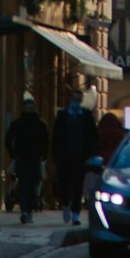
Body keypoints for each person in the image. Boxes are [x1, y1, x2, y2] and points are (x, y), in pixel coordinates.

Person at [52, 88, 98, 225]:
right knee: (64, 185)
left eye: (78, 100)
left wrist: (90, 154)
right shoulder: (62, 116)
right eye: (74, 99)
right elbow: (56, 137)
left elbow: (93, 137)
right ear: (70, 100)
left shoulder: (87, 116)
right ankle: (66, 205)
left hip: (80, 158)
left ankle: (76, 214)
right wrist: (55, 156)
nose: (76, 102)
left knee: (78, 185)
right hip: (64, 157)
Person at [5, 94, 49, 223]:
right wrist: (43, 156)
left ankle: (27, 210)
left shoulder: (21, 124)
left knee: (28, 185)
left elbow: (45, 142)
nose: (29, 110)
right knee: (28, 185)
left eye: (30, 107)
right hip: (27, 159)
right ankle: (26, 211)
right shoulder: (39, 124)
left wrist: (14, 154)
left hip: (29, 158)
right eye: (27, 107)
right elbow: (45, 142)